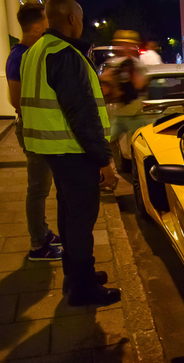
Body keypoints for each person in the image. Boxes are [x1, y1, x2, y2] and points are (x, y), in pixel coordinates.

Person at [20, 0, 120, 307]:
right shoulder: (64, 54)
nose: (82, 22)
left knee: (68, 215)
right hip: (72, 151)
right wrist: (104, 160)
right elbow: (82, 114)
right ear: (71, 18)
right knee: (80, 220)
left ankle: (75, 276)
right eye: (81, 17)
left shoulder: (35, 51)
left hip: (50, 149)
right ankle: (83, 287)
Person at [5, 3, 62, 261]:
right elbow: (15, 100)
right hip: (31, 129)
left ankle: (43, 231)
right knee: (38, 188)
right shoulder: (19, 56)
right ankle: (38, 245)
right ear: (38, 25)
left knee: (42, 186)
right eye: (46, 22)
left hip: (37, 128)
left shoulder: (28, 52)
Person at [99, 30, 148, 172]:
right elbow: (105, 84)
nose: (121, 47)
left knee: (140, 149)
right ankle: (112, 169)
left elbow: (140, 85)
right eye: (120, 44)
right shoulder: (116, 63)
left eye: (125, 44)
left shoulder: (137, 65)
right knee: (107, 141)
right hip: (122, 114)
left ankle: (140, 172)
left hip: (136, 115)